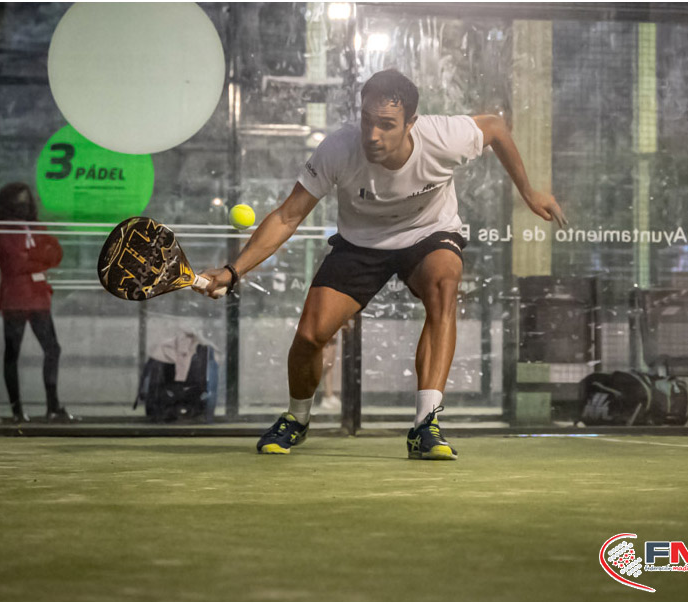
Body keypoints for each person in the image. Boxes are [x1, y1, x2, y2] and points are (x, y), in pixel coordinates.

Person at [196, 69, 567, 459]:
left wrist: (528, 192)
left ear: (411, 123)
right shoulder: (338, 150)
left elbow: (495, 128)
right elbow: (288, 217)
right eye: (367, 120)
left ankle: (425, 426)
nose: (373, 134)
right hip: (361, 244)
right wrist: (234, 271)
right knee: (309, 337)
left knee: (445, 283)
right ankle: (297, 419)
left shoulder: (444, 137)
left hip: (428, 232)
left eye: (387, 124)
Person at [0, 182, 76, 423]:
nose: (24, 206)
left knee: (52, 349)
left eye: (27, 201)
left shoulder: (36, 226)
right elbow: (13, 264)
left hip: (37, 297)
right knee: (13, 354)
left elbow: (56, 254)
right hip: (15, 298)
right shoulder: (3, 230)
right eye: (19, 202)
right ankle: (17, 411)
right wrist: (39, 258)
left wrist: (31, 258)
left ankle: (52, 406)